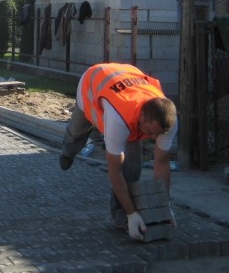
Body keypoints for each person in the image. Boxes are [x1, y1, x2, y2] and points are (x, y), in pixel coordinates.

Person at [59, 63, 178, 241]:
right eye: (151, 131)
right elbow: (114, 170)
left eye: (157, 133)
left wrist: (164, 204)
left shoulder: (168, 121)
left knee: (132, 166)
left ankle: (120, 217)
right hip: (92, 85)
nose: (153, 137)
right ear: (143, 116)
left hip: (123, 87)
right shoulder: (119, 119)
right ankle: (68, 151)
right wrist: (133, 214)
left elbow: (161, 162)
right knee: (77, 131)